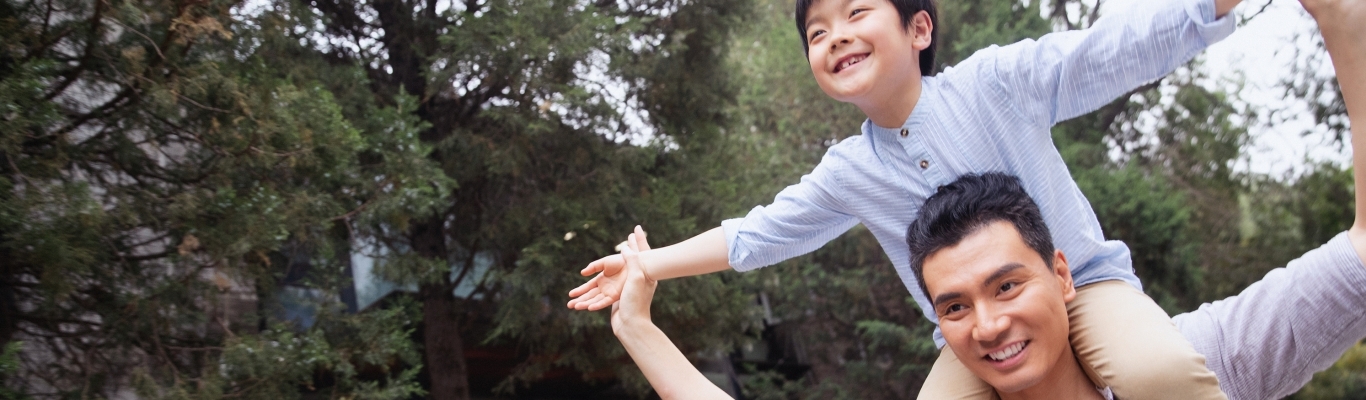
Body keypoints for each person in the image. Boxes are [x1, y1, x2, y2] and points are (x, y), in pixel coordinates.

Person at [608, 0, 1366, 397]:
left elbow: (1110, 51)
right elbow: (758, 235)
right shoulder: (846, 172)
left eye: (855, 14)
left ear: (919, 27)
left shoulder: (994, 82)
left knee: (1161, 375)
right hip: (970, 346)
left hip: (1092, 290)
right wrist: (649, 270)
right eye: (815, 31)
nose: (834, 35)